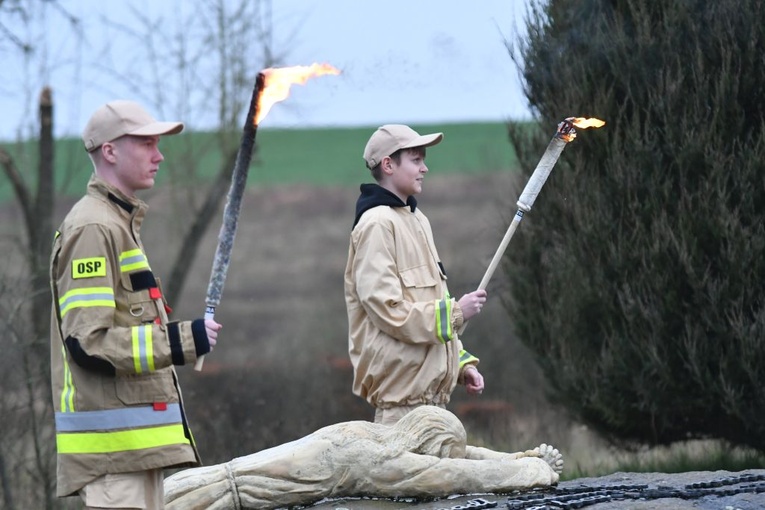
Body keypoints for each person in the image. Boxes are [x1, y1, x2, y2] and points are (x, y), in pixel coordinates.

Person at [49, 100, 222, 509]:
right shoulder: (94, 227)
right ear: (109, 151)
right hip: (114, 460)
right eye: (146, 143)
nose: (159, 155)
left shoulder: (117, 222)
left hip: (132, 456)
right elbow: (88, 341)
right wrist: (179, 341)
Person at [344, 124, 488, 425]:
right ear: (388, 164)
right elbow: (389, 311)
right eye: (416, 159)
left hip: (434, 408)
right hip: (401, 413)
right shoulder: (376, 225)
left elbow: (430, 302)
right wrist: (456, 313)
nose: (425, 168)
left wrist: (461, 365)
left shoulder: (417, 219)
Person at [164, 405, 563, 509]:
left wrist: (515, 455)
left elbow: (456, 455)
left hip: (214, 483)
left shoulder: (372, 435)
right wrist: (529, 470)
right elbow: (451, 474)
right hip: (214, 499)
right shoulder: (374, 461)